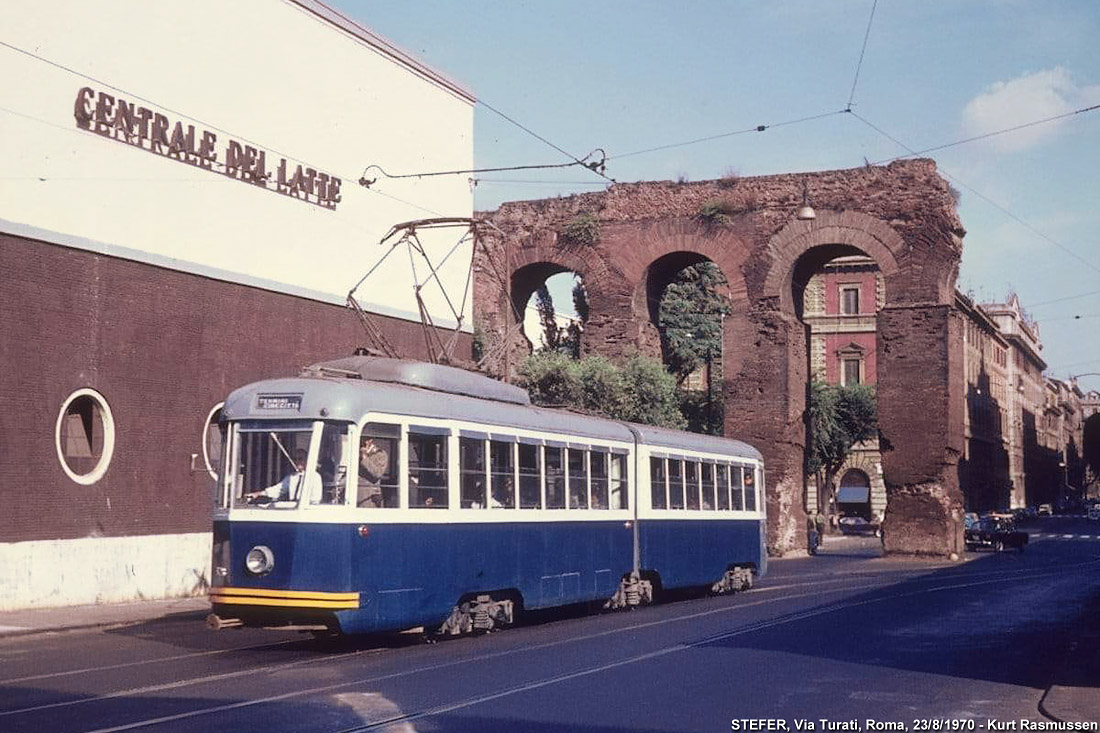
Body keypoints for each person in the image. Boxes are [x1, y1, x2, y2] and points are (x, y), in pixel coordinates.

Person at [248, 448, 322, 503]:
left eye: (300, 459)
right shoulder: (292, 477)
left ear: (307, 460)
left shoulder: (315, 477)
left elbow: (316, 499)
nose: (297, 461)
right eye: (295, 459)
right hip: (293, 508)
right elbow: (278, 489)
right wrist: (259, 493)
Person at [357, 435, 390, 507]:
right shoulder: (356, 452)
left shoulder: (380, 454)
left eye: (364, 439)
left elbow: (378, 473)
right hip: (356, 493)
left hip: (369, 494)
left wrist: (365, 458)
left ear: (370, 440)